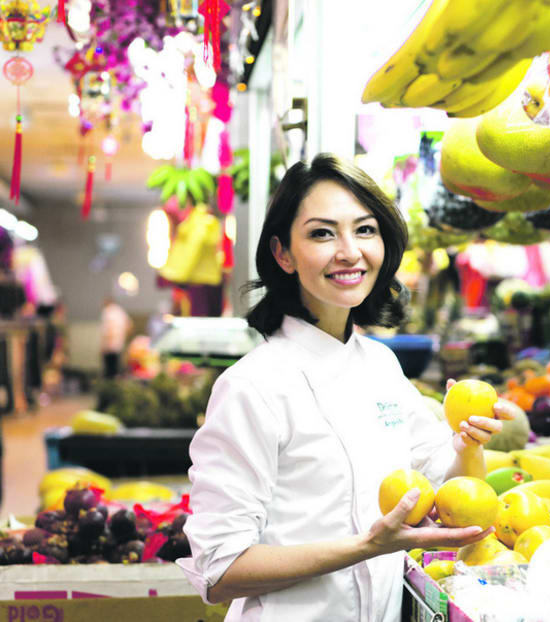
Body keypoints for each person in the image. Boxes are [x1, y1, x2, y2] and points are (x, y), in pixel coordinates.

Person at [178, 154, 510, 621]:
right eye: (322, 233)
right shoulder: (252, 386)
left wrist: (469, 440)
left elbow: (445, 485)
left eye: (365, 229)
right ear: (283, 254)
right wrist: (368, 547)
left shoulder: (380, 365)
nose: (349, 251)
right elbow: (220, 570)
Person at [99, 296, 131, 379]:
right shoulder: (120, 311)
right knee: (117, 369)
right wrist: (124, 338)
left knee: (110, 371)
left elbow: (110, 328)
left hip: (110, 346)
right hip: (119, 344)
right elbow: (129, 325)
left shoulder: (108, 312)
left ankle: (110, 387)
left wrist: (106, 344)